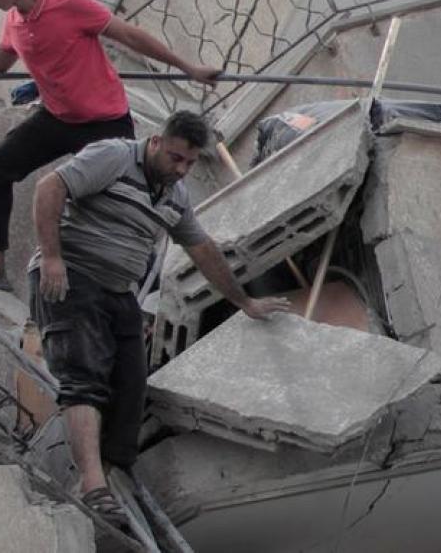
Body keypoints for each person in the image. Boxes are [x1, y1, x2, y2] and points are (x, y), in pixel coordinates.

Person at [29, 110, 287, 526]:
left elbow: (202, 249)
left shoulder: (173, 196)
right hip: (73, 277)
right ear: (154, 142)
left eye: (188, 162)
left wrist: (244, 302)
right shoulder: (113, 157)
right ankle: (95, 487)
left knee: (130, 391)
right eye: (174, 158)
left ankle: (97, 488)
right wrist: (53, 257)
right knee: (85, 377)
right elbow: (49, 187)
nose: (181, 169)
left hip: (119, 293)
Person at [0, 0, 222, 295]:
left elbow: (130, 36)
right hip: (58, 118)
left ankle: (139, 291)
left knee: (121, 202)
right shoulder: (13, 21)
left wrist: (189, 69)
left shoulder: (70, 5)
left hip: (106, 121)